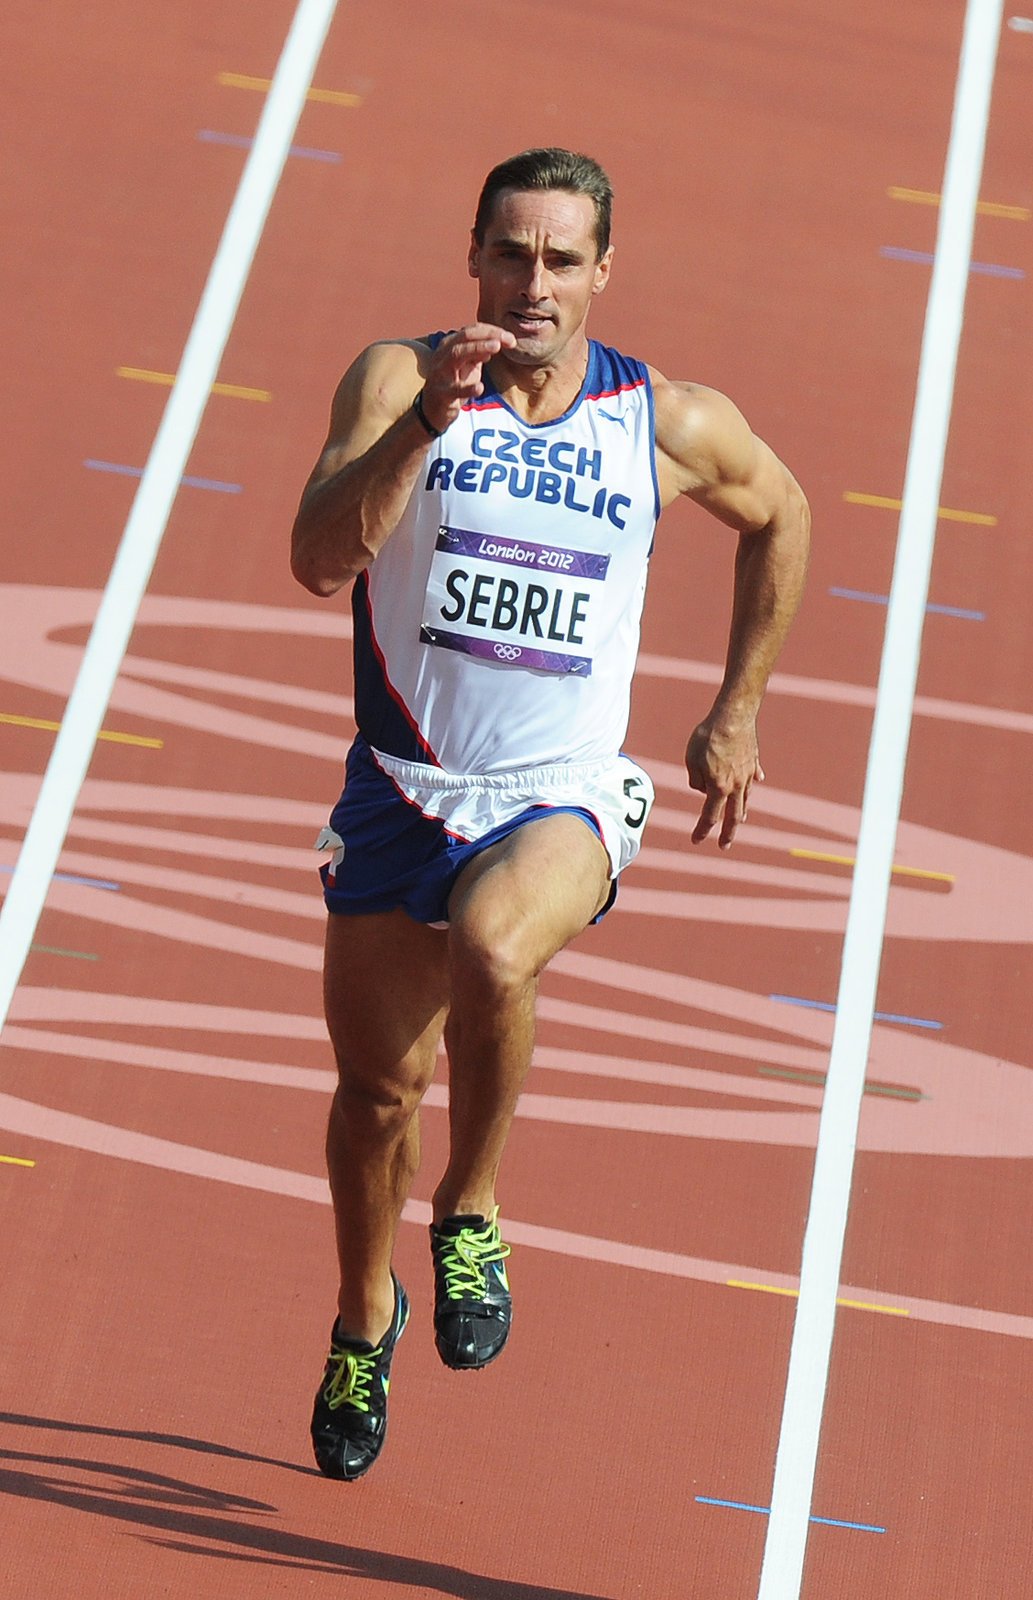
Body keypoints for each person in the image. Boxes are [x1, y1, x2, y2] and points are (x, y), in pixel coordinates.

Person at [290, 147, 810, 1481]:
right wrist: (423, 428)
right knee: (372, 1097)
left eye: (560, 260)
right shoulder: (399, 381)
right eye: (511, 254)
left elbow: (782, 514)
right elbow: (314, 559)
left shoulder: (664, 421)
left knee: (497, 947)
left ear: (600, 274)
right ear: (472, 254)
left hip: (562, 790)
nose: (533, 283)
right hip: (404, 783)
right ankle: (364, 1319)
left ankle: (470, 1209)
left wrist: (734, 710)